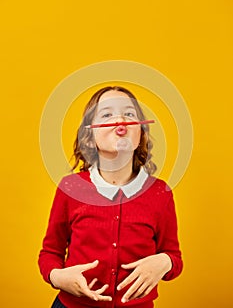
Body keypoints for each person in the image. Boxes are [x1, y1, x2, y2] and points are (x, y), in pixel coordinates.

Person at [38, 85, 183, 308]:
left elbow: (174, 258)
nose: (120, 121)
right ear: (89, 137)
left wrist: (165, 262)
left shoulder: (159, 193)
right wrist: (58, 278)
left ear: (141, 133)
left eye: (129, 114)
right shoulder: (70, 188)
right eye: (107, 114)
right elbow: (50, 253)